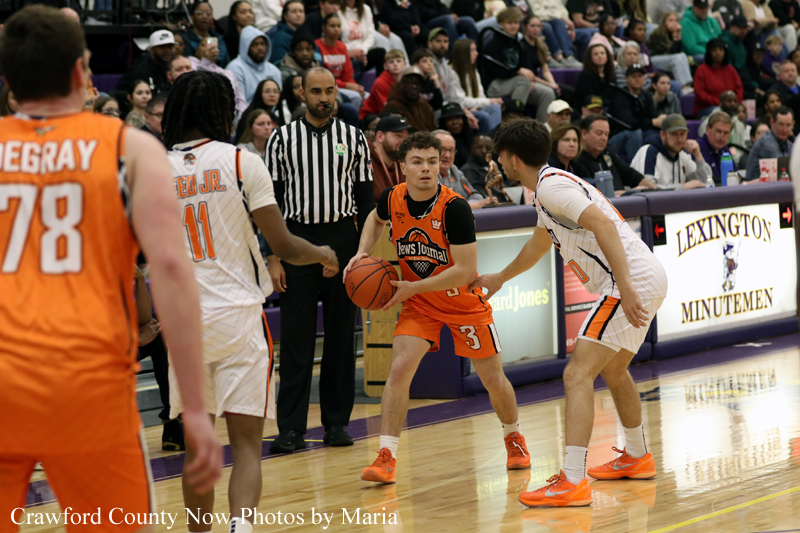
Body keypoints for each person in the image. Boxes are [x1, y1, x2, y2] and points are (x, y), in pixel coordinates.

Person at [0, 6, 222, 530]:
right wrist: (194, 409)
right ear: (81, 71)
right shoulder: (130, 149)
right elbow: (171, 271)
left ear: (9, 82)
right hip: (88, 384)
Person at [164, 71, 338, 533]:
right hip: (238, 315)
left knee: (198, 449)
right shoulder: (242, 161)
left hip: (183, 321)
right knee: (245, 447)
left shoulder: (154, 167)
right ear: (222, 111)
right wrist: (324, 253)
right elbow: (284, 245)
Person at [472, 118, 666, 507]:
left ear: (513, 159)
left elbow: (603, 226)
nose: (499, 163)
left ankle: (573, 480)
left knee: (577, 374)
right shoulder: (546, 188)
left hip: (629, 280)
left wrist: (626, 286)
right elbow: (539, 243)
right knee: (613, 370)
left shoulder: (552, 187)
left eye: (500, 157)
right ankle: (637, 455)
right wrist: (501, 278)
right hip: (642, 276)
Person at [348, 131, 530, 485]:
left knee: (493, 379)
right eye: (417, 162)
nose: (426, 169)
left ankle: (514, 437)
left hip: (463, 303)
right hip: (420, 304)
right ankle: (386, 456)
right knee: (399, 370)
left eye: (432, 161)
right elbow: (374, 218)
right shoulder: (392, 197)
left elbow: (464, 270)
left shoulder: (454, 208)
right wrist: (361, 254)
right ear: (403, 167)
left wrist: (412, 286)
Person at [266, 68, 374, 453]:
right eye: (316, 91)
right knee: (296, 338)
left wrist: (362, 252)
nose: (324, 98)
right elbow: (271, 202)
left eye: (329, 91)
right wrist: (273, 256)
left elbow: (366, 200)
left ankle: (336, 423)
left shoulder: (354, 137)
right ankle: (291, 429)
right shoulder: (281, 138)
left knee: (342, 336)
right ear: (302, 93)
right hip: (295, 239)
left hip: (343, 237)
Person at [484, 8, 557, 123]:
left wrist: (527, 77)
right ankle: (515, 124)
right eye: (509, 23)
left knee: (547, 93)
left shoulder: (519, 44)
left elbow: (528, 70)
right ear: (501, 24)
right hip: (496, 84)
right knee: (523, 80)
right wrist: (518, 71)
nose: (513, 26)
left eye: (516, 23)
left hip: (518, 83)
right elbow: (496, 71)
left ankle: (542, 128)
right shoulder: (492, 44)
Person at [577, 114, 656, 193]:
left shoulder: (606, 153)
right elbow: (594, 193)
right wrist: (628, 193)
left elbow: (630, 174)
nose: (604, 138)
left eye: (606, 134)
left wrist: (655, 189)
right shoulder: (577, 160)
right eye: (599, 133)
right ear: (584, 133)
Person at [630, 114, 713, 188]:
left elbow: (706, 183)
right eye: (674, 134)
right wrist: (683, 187)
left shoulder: (682, 155)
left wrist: (698, 155)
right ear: (662, 135)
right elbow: (647, 189)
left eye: (682, 134)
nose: (680, 139)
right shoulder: (649, 152)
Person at [608, 64, 664, 160]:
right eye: (634, 76)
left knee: (656, 134)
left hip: (639, 132)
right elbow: (629, 124)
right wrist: (652, 122)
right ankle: (637, 167)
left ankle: (658, 164)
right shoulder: (620, 96)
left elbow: (653, 115)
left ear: (644, 79)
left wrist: (661, 118)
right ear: (627, 79)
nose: (637, 79)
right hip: (617, 137)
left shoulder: (646, 96)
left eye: (640, 76)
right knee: (635, 133)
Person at [449, 39, 503, 132]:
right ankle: (486, 138)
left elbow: (480, 95)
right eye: (472, 50)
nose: (477, 53)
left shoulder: (473, 71)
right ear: (463, 53)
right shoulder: (451, 72)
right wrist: (489, 101)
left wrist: (476, 107)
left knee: (495, 107)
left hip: (474, 107)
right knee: (484, 116)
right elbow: (461, 101)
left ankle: (493, 138)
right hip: (460, 110)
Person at [316, 13, 367, 110]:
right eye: (332, 26)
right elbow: (321, 77)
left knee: (367, 96)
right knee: (356, 97)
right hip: (327, 88)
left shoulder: (342, 46)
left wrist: (355, 86)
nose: (336, 29)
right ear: (324, 28)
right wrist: (347, 86)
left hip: (343, 86)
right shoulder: (317, 46)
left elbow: (348, 74)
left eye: (338, 26)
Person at [190, 36, 248, 118]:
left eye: (213, 46)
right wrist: (206, 60)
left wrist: (242, 119)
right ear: (197, 51)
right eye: (204, 45)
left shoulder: (227, 73)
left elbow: (239, 99)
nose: (209, 47)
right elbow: (199, 76)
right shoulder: (189, 65)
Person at [227, 25, 283, 104]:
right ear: (246, 47)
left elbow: (278, 101)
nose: (260, 48)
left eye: (262, 44)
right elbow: (238, 103)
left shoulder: (274, 70)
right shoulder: (235, 68)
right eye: (255, 44)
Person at [115, 29, 176, 97]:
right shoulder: (142, 70)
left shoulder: (171, 64)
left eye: (170, 46)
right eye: (162, 47)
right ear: (152, 49)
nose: (167, 50)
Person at [694, 38, 743, 117]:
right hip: (707, 108)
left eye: (721, 50)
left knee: (741, 112)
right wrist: (720, 103)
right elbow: (700, 93)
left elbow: (739, 89)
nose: (718, 53)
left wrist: (733, 102)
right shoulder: (702, 69)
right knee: (720, 113)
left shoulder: (731, 70)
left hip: (730, 107)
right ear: (709, 53)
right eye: (714, 50)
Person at [525, 3, 585, 68]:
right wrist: (559, 17)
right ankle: (550, 57)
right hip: (542, 19)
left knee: (560, 23)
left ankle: (568, 57)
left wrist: (568, 22)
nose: (535, 29)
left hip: (555, 20)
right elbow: (537, 13)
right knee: (547, 26)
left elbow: (563, 11)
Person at [745, 105, 795, 179]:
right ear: (772, 122)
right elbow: (783, 168)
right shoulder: (767, 142)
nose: (784, 130)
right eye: (781, 124)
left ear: (793, 124)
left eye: (788, 125)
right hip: (755, 185)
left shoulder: (788, 143)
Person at [385, 66, 438, 131]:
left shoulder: (426, 107)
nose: (414, 86)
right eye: (410, 82)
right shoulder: (393, 106)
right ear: (402, 84)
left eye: (417, 83)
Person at [370, 115, 410, 201]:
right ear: (380, 136)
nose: (404, 142)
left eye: (406, 138)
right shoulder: (364, 160)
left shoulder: (403, 162)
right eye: (398, 136)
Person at [360, 49, 407, 119]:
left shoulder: (407, 80)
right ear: (385, 66)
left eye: (398, 61)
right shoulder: (380, 82)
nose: (395, 64)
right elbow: (386, 107)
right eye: (391, 62)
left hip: (392, 112)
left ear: (405, 64)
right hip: (370, 115)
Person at [573, 44, 615, 120]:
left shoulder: (610, 74)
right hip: (591, 110)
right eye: (596, 54)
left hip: (607, 107)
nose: (600, 56)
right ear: (590, 57)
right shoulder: (586, 75)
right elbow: (589, 99)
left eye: (602, 53)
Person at [183, 2, 230, 66]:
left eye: (208, 14)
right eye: (199, 13)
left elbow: (226, 63)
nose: (204, 16)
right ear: (192, 17)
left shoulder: (219, 39)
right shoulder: (186, 39)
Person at [697, 111, 737, 183]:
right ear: (707, 129)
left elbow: (734, 175)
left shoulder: (724, 149)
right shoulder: (697, 149)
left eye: (726, 133)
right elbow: (709, 181)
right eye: (718, 131)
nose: (722, 136)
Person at [439, 102, 473, 167]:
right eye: (449, 119)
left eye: (458, 118)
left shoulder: (469, 136)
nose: (455, 122)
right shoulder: (439, 141)